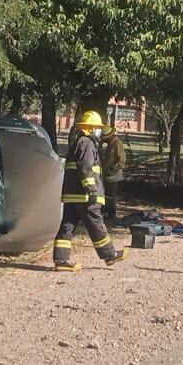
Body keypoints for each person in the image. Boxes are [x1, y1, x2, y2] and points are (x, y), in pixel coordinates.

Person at [54, 110, 126, 271]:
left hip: (73, 194)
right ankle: (110, 255)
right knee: (95, 222)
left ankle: (61, 260)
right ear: (91, 129)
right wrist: (92, 189)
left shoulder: (80, 142)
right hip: (84, 194)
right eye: (98, 128)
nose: (100, 131)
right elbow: (85, 168)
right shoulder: (87, 143)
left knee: (68, 224)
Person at [100, 124, 129, 224]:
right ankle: (106, 213)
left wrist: (111, 170)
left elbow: (122, 161)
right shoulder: (111, 143)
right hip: (108, 176)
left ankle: (112, 215)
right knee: (107, 195)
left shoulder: (117, 143)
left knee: (110, 196)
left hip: (114, 176)